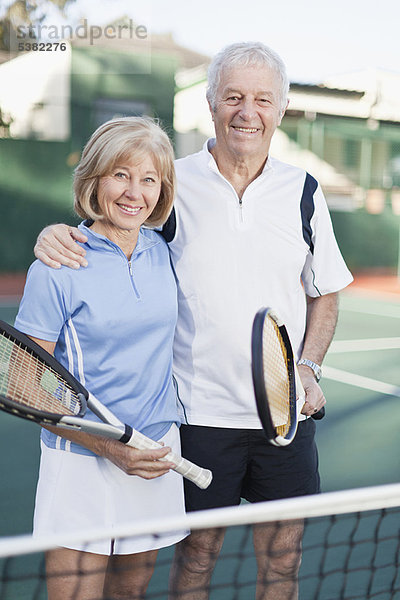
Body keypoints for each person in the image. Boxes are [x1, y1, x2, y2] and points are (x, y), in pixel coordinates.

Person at [33, 42, 353, 600]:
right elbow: (115, 223)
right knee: (197, 559)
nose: (246, 112)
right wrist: (57, 232)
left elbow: (324, 292)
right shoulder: (170, 183)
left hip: (282, 421)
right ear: (211, 104)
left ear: (280, 110)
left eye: (261, 100)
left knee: (286, 559)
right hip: (196, 417)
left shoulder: (304, 191)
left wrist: (307, 367)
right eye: (232, 97)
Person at [15, 116, 188, 600]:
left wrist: (139, 450)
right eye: (121, 175)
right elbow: (26, 383)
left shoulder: (166, 252)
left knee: (131, 591)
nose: (135, 192)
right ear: (94, 179)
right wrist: (112, 448)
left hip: (156, 450)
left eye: (149, 179)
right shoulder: (57, 266)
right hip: (82, 461)